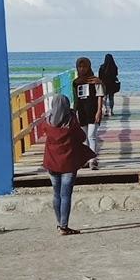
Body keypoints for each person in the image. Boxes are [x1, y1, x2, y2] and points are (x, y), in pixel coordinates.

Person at [41, 93, 94, 235]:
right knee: (65, 195)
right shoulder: (71, 121)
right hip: (68, 163)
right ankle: (64, 226)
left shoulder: (47, 121)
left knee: (56, 194)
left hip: (51, 162)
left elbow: (43, 130)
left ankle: (59, 224)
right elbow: (82, 137)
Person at [71, 56, 105, 169]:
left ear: (89, 67)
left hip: (93, 110)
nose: (82, 69)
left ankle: (93, 160)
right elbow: (76, 99)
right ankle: (86, 159)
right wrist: (74, 113)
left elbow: (100, 96)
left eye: (84, 66)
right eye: (80, 67)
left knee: (92, 136)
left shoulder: (95, 81)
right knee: (84, 137)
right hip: (81, 112)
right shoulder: (75, 83)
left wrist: (99, 111)